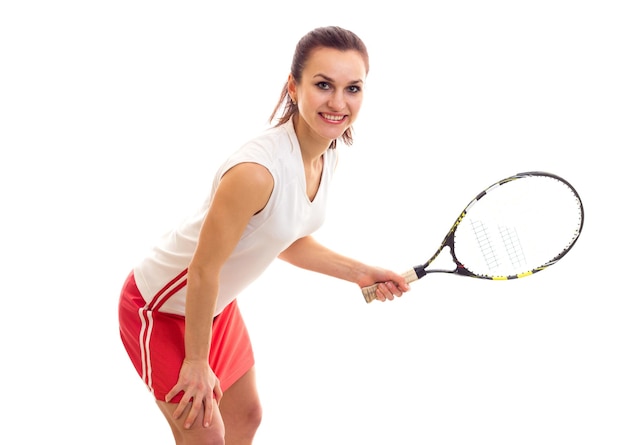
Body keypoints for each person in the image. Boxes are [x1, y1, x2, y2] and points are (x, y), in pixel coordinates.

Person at [118, 25, 410, 445]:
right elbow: (202, 269)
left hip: (212, 305)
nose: (338, 102)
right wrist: (196, 361)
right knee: (205, 434)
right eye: (323, 85)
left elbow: (282, 236)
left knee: (246, 416)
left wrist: (361, 272)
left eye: (353, 88)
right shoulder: (256, 172)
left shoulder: (325, 156)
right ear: (293, 87)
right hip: (160, 306)